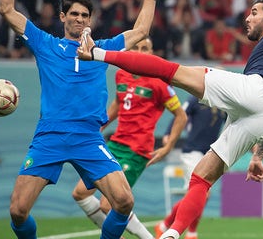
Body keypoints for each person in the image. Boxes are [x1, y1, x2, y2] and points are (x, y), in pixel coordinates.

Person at [78, 0, 263, 239]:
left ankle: (97, 53)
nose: (248, 17)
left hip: (256, 91)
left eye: (254, 12)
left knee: (172, 71)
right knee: (201, 179)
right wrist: (257, 157)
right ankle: (173, 233)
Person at [0, 0, 168, 239]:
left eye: (84, 15)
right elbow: (7, 11)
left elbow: (141, 30)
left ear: (90, 20)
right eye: (74, 14)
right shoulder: (45, 44)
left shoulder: (104, 49)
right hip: (50, 134)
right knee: (18, 211)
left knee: (123, 201)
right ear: (63, 17)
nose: (79, 19)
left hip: (89, 138)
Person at [71, 38, 187, 239]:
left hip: (137, 150)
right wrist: (99, 126)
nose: (140, 52)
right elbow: (118, 102)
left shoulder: (159, 81)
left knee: (110, 203)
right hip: (114, 144)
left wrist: (168, 147)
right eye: (136, 48)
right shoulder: (121, 74)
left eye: (145, 49)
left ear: (152, 53)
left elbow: (181, 116)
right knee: (80, 193)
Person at [155, 95, 227, 239]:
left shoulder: (225, 104)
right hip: (191, 151)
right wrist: (169, 133)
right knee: (202, 192)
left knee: (197, 194)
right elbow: (181, 113)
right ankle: (191, 233)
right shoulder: (197, 98)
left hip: (209, 153)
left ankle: (164, 225)